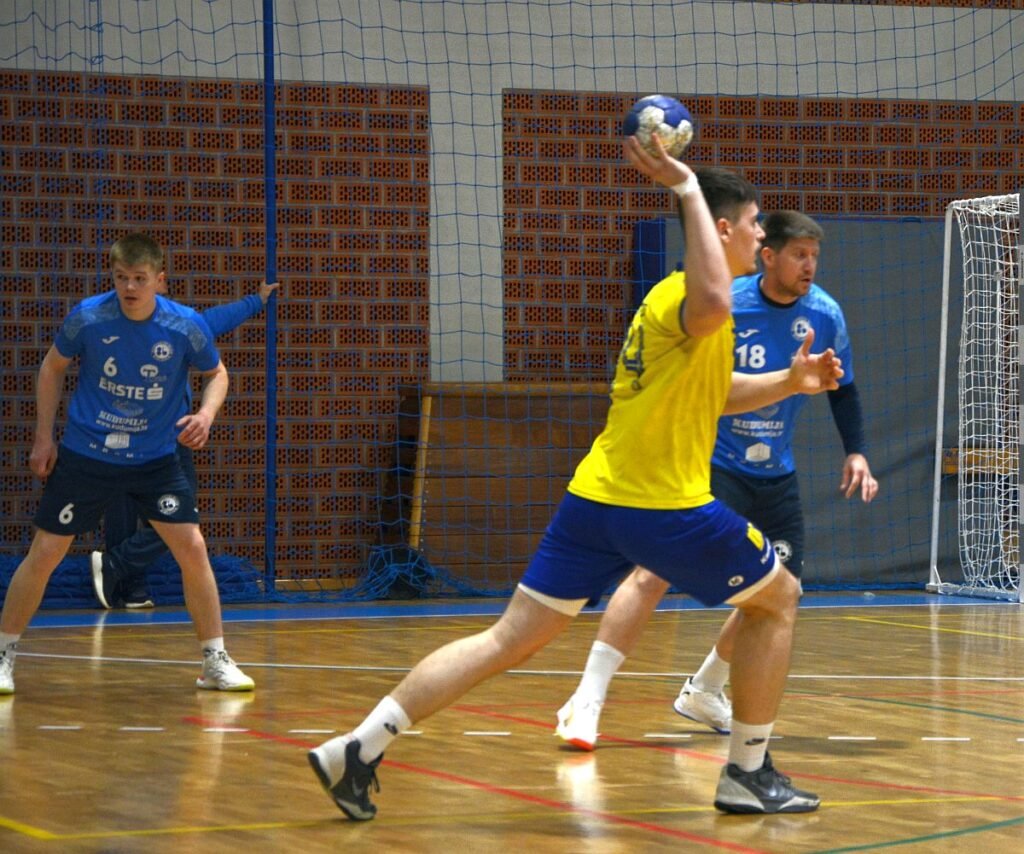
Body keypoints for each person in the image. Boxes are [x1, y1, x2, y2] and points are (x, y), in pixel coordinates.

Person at [307, 141, 844, 820]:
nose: (764, 234)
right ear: (722, 229)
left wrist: (789, 381)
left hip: (596, 498)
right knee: (779, 598)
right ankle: (747, 771)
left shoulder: (679, 304)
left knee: (507, 639)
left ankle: (357, 747)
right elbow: (710, 294)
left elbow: (715, 392)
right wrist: (684, 185)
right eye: (754, 222)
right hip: (661, 504)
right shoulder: (692, 297)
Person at [554, 211, 879, 750]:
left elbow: (842, 389)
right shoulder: (726, 305)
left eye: (815, 256)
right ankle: (586, 699)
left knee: (780, 592)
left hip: (775, 473)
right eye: (799, 254)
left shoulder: (824, 313)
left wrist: (857, 452)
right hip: (712, 462)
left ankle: (705, 688)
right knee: (652, 573)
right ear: (768, 256)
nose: (809, 265)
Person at [0, 233, 254, 695]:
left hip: (154, 459)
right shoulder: (89, 317)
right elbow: (51, 367)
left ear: (160, 280)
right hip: (87, 454)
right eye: (121, 278)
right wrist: (43, 436)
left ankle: (215, 660)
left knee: (192, 548)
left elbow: (217, 373)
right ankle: (3, 655)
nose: (130, 287)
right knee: (47, 552)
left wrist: (205, 414)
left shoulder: (184, 325)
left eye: (139, 278)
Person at [90, 279, 280, 610]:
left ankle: (119, 571)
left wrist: (256, 300)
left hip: (166, 435)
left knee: (177, 511)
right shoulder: (110, 327)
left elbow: (215, 321)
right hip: (129, 432)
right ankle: (124, 580)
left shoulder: (179, 326)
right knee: (139, 509)